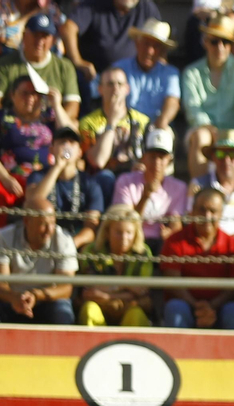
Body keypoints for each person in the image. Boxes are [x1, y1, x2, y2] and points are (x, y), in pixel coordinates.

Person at [0, 74, 55, 247]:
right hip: (6, 177)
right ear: (12, 95)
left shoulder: (51, 117)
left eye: (35, 94)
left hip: (43, 178)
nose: (31, 98)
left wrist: (56, 105)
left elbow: (71, 138)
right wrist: (5, 178)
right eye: (25, 93)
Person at [158, 186, 234, 329]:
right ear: (192, 211)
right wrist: (198, 307)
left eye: (213, 211)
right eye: (202, 210)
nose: (207, 216)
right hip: (186, 307)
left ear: (221, 213)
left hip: (222, 308)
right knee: (175, 308)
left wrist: (212, 307)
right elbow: (172, 281)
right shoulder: (174, 241)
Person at [0, 193, 76, 324]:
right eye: (43, 224)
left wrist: (36, 295)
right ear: (26, 221)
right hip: (12, 301)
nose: (49, 230)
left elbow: (65, 288)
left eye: (52, 223)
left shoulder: (64, 240)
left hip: (46, 301)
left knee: (62, 310)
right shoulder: (5, 237)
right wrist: (15, 298)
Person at [181, 15, 234, 177]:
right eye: (215, 41)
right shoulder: (191, 72)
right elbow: (193, 111)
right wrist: (212, 130)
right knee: (201, 136)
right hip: (204, 129)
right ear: (205, 42)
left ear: (231, 46)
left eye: (226, 42)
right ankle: (200, 187)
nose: (220, 47)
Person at [0, 13, 80, 123]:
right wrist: (11, 123)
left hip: (51, 125)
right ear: (24, 36)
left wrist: (52, 125)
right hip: (12, 126)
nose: (39, 41)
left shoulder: (64, 67)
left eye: (44, 36)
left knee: (74, 125)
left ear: (53, 40)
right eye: (35, 35)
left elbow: (73, 106)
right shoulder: (5, 64)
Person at [109, 126, 188, 248]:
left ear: (169, 160)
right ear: (144, 157)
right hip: (131, 242)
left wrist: (170, 234)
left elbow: (176, 225)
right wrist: (145, 197)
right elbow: (125, 223)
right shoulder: (125, 181)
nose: (157, 163)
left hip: (161, 244)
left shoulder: (179, 187)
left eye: (161, 157)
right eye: (152, 156)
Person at [81, 65, 150, 204]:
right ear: (100, 89)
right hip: (102, 181)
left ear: (127, 89)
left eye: (120, 84)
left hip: (134, 177)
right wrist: (111, 122)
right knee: (105, 177)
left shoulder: (143, 121)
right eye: (110, 84)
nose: (115, 88)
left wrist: (144, 167)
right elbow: (98, 161)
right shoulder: (88, 122)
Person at [80, 204, 156, 326]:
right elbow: (90, 292)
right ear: (107, 232)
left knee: (136, 314)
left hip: (129, 308)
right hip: (100, 307)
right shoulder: (92, 251)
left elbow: (142, 291)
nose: (124, 238)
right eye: (118, 232)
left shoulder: (143, 253)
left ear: (136, 234)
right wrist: (127, 287)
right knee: (90, 309)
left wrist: (106, 294)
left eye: (129, 233)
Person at [32, 125, 103, 248]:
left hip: (74, 243)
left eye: (72, 142)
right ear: (51, 149)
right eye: (62, 142)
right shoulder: (38, 176)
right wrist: (58, 167)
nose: (67, 146)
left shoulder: (90, 183)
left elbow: (91, 227)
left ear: (80, 152)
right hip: (44, 239)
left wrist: (69, 246)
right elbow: (33, 203)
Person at [65, 0, 163, 82]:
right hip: (95, 76)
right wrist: (78, 61)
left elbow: (160, 39)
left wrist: (161, 63)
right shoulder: (94, 4)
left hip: (133, 77)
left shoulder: (147, 7)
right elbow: (68, 28)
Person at [111, 18, 180, 130]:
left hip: (157, 126)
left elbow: (173, 102)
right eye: (146, 44)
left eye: (156, 46)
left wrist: (162, 121)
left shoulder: (170, 74)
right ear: (137, 44)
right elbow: (111, 97)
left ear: (162, 51)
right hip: (125, 125)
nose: (149, 51)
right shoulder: (120, 69)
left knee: (162, 138)